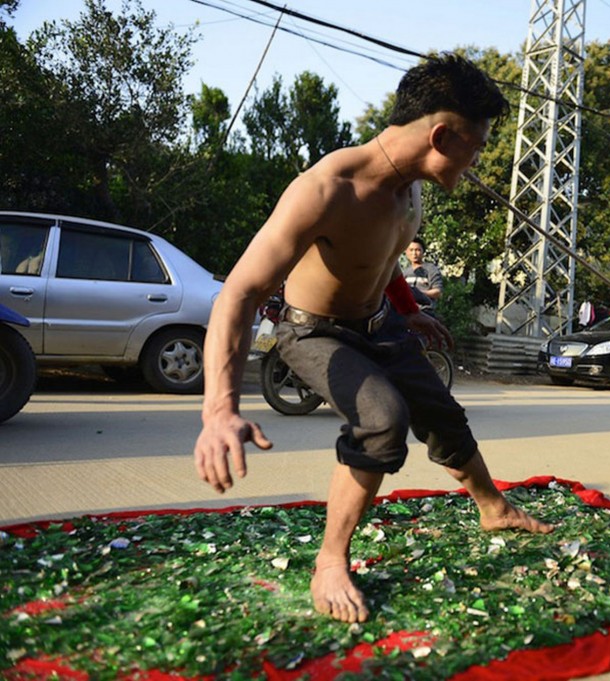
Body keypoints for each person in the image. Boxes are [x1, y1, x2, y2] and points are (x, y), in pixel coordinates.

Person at [193, 54, 552, 624]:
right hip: (313, 332)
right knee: (384, 418)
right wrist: (219, 410)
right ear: (440, 135)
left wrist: (409, 310)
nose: (479, 161)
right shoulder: (325, 189)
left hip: (381, 323)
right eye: (476, 146)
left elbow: (380, 259)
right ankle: (331, 561)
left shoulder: (410, 189)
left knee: (441, 412)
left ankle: (494, 508)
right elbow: (236, 293)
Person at [403, 236, 443, 311]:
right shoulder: (404, 272)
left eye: (417, 250)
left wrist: (418, 294)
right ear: (406, 252)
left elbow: (438, 292)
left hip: (425, 310)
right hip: (407, 312)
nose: (414, 253)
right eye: (411, 250)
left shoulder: (431, 269)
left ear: (423, 252)